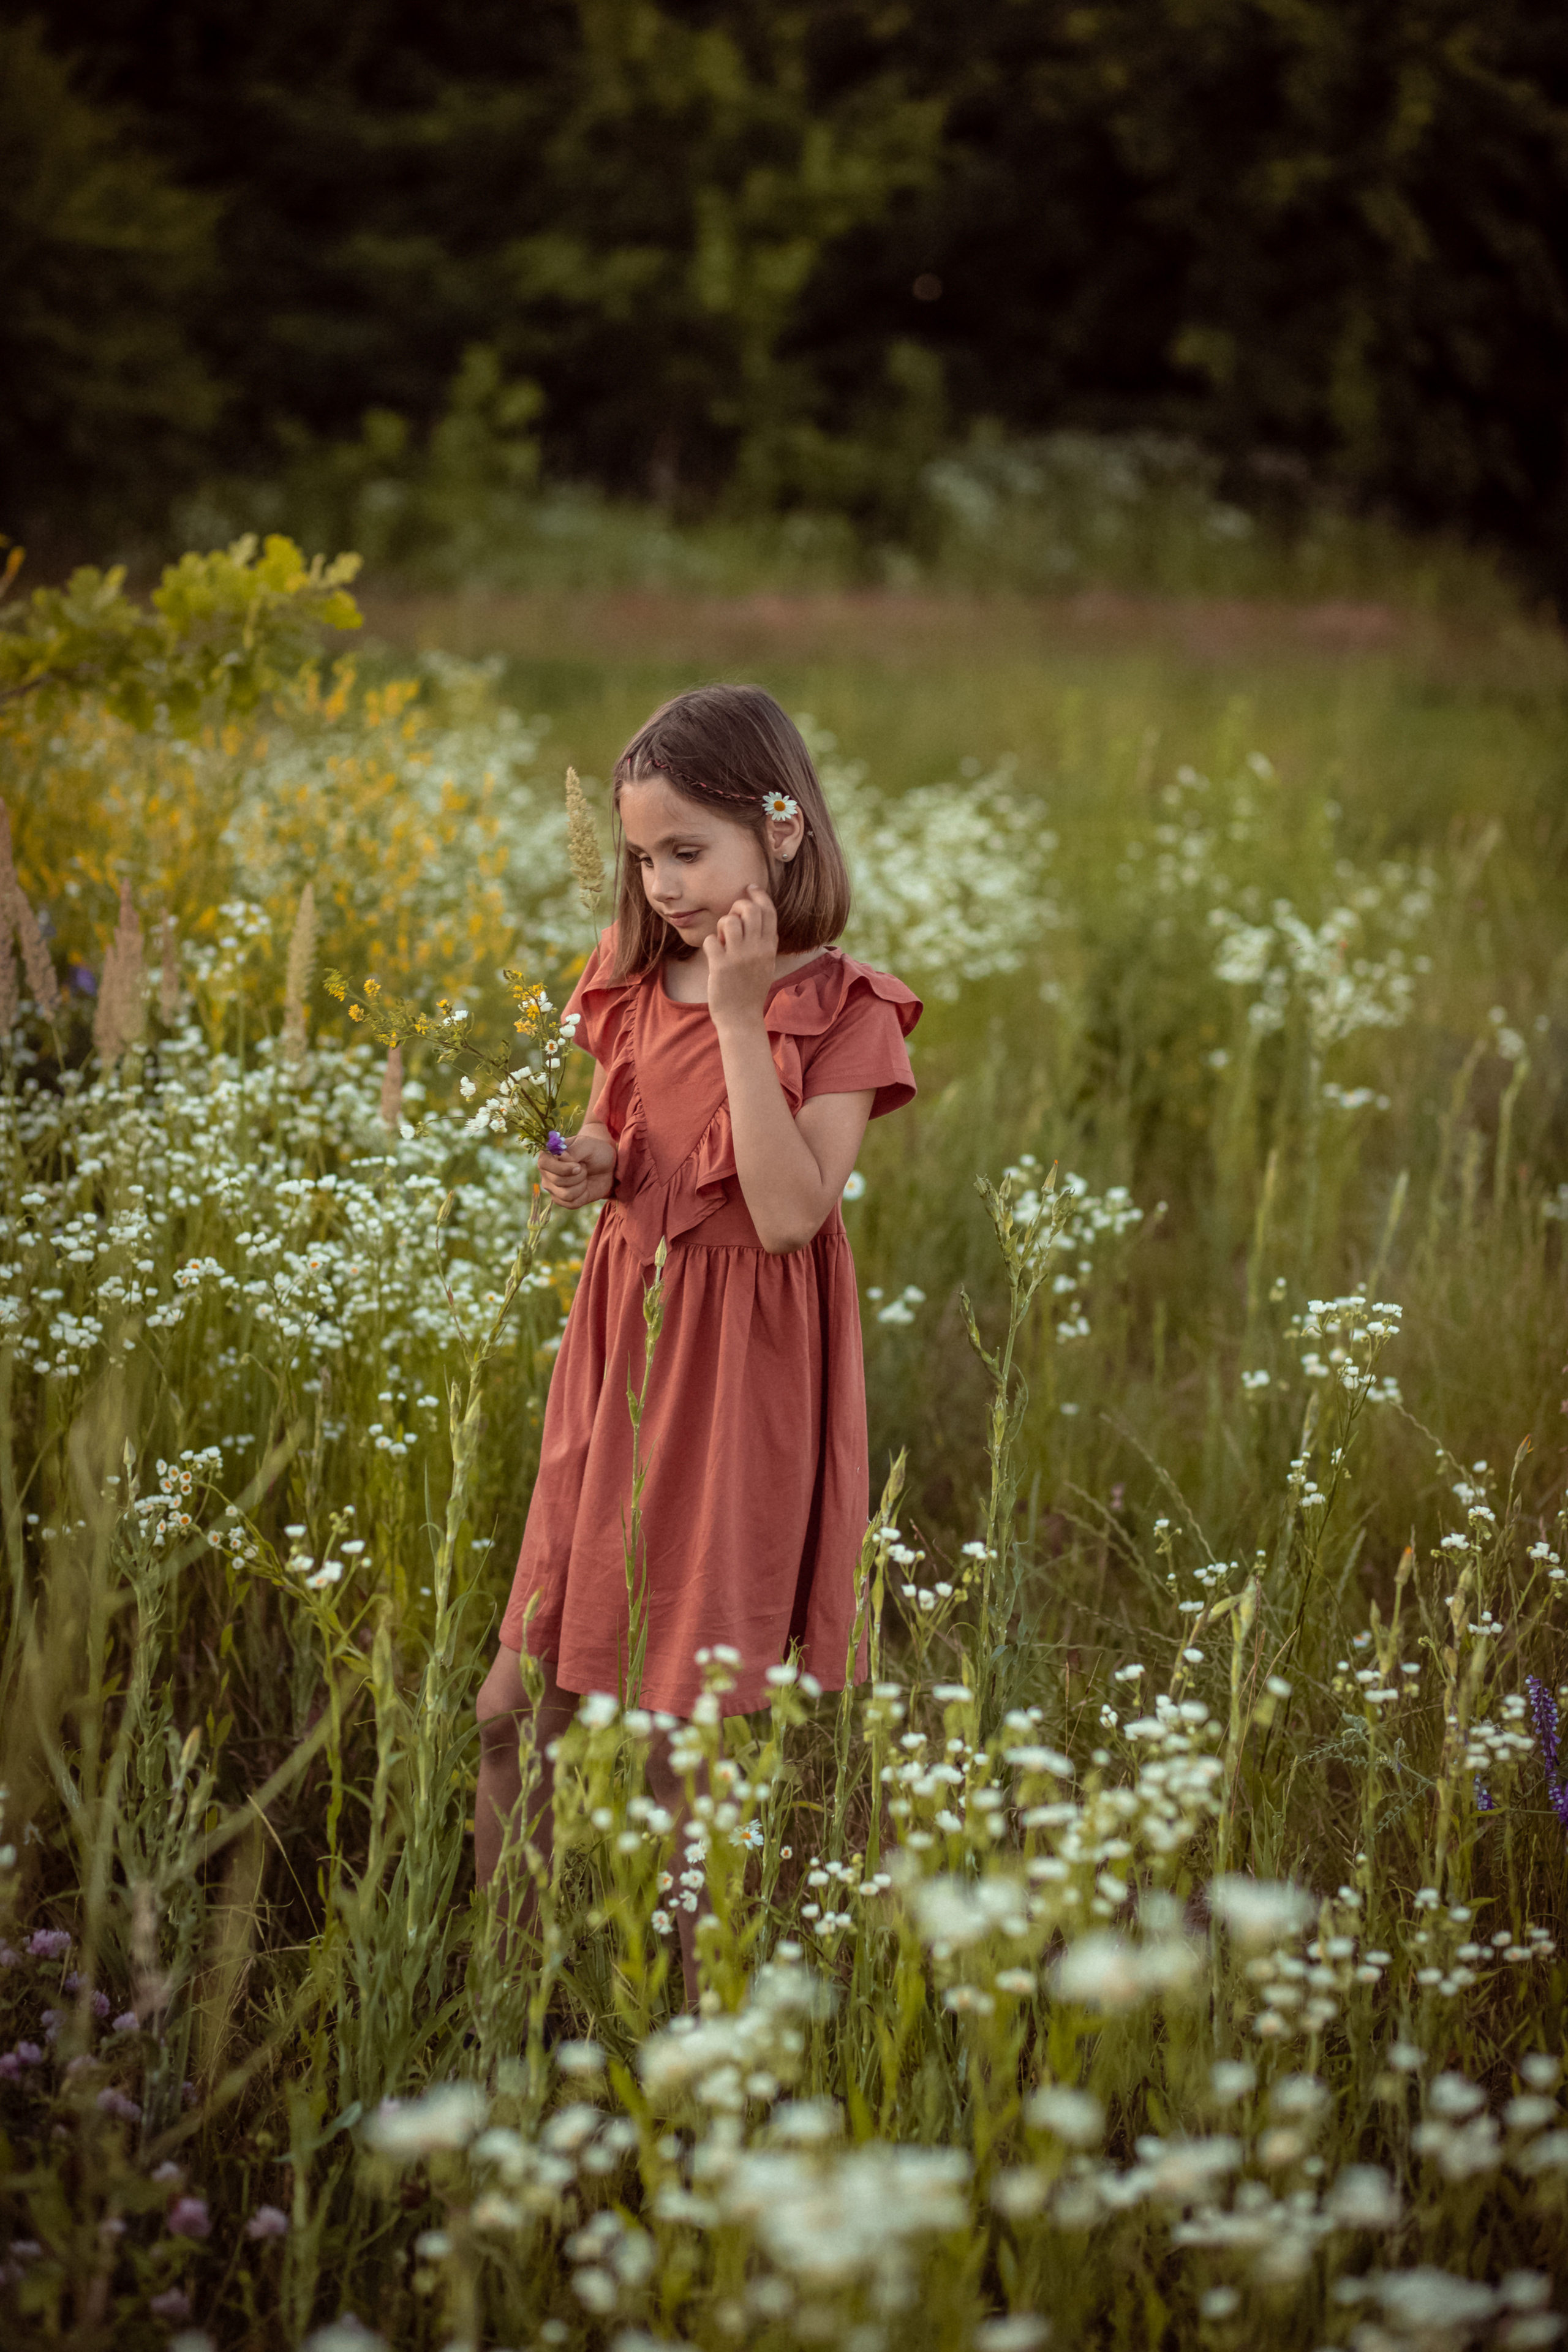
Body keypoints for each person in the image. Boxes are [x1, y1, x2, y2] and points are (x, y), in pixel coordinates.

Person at [473, 682, 921, 2004]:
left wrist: (735, 1015)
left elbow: (786, 1213)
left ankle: (678, 2024)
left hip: (737, 1396)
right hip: (617, 1364)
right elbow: (641, 1142)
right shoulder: (622, 987)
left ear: (779, 832)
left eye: (687, 850)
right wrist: (599, 1164)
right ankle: (507, 2001)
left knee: (675, 1741)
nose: (660, 883)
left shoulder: (847, 1008)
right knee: (518, 1705)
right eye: (641, 856)